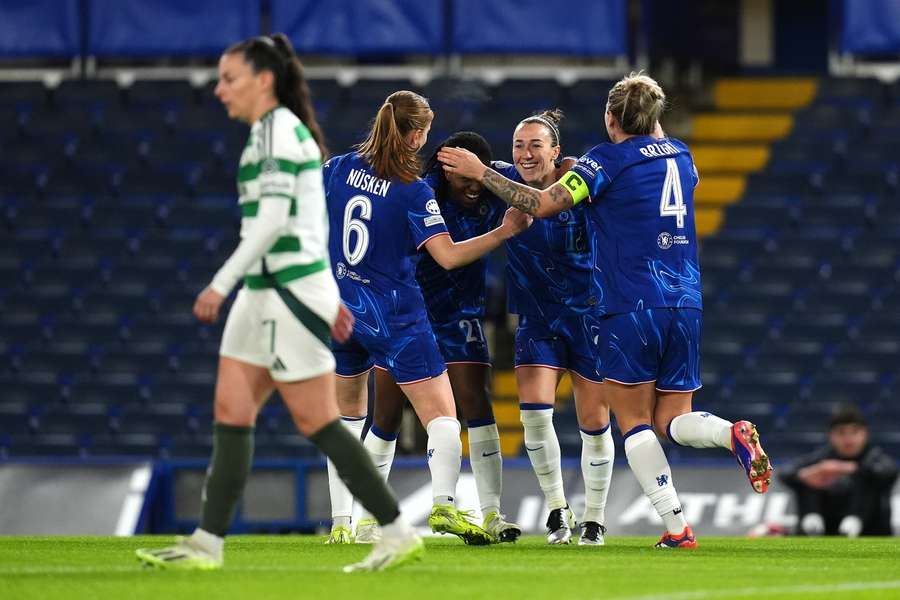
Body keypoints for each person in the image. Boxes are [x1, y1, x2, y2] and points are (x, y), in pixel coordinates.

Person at [439, 72, 774, 549]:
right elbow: (649, 139)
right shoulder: (682, 155)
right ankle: (730, 434)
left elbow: (540, 203)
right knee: (674, 419)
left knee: (633, 421)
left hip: (626, 305)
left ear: (609, 118)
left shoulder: (602, 161)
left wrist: (480, 172)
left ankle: (675, 527)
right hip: (686, 301)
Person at [135, 34, 422, 573]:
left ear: (263, 81)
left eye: (229, 78)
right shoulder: (269, 134)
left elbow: (270, 223)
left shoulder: (278, 134)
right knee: (231, 411)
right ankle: (206, 543)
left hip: (283, 294)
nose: (219, 89)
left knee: (319, 420)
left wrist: (220, 284)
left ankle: (396, 529)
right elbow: (312, 222)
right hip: (265, 292)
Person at [322, 92, 531, 546]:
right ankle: (443, 506)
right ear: (417, 135)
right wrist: (504, 231)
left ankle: (342, 523)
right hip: (395, 316)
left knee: (346, 419)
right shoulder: (413, 190)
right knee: (442, 418)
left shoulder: (337, 169)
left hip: (341, 310)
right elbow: (449, 256)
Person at [492, 109, 614, 546]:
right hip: (537, 319)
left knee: (594, 422)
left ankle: (595, 518)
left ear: (556, 151)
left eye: (535, 145)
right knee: (534, 416)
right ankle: (559, 512)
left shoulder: (582, 183)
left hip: (589, 316)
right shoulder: (502, 182)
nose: (525, 154)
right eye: (519, 145)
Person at [780, 405, 897, 536]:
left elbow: (889, 473)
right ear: (831, 435)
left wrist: (846, 468)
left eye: (855, 432)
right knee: (811, 475)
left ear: (865, 434)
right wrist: (806, 474)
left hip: (870, 530)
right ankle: (811, 519)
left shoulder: (874, 457)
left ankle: (855, 520)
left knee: (869, 477)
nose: (848, 439)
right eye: (841, 432)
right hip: (824, 528)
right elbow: (785, 473)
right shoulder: (822, 457)